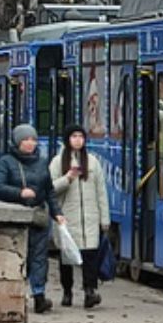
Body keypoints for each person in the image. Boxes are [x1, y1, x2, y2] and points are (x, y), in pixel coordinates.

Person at [0, 123, 66, 313]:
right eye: (25, 140)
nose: (30, 143)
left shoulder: (42, 163)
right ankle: (15, 294)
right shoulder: (6, 162)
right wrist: (19, 193)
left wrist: (57, 213)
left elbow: (49, 191)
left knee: (40, 257)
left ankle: (39, 296)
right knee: (18, 256)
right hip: (17, 218)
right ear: (17, 142)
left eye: (33, 139)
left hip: (39, 217)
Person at [49, 124, 111, 309]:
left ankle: (89, 291)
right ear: (67, 140)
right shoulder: (58, 162)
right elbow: (50, 189)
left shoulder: (92, 162)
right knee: (67, 258)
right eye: (74, 136)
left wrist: (104, 219)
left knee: (90, 257)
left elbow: (101, 191)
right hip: (67, 218)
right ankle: (67, 292)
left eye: (81, 136)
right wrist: (67, 178)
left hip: (90, 219)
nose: (78, 140)